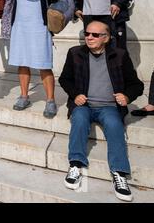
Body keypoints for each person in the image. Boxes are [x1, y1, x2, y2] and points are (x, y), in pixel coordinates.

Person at [59, 21, 144, 202]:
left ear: (106, 38)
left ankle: (119, 174)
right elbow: (65, 79)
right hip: (84, 105)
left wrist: (127, 97)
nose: (89, 37)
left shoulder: (119, 55)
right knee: (79, 119)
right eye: (87, 34)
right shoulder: (75, 53)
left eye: (95, 35)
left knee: (114, 125)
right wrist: (75, 95)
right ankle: (75, 164)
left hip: (109, 107)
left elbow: (137, 85)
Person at [2, 0, 60, 117]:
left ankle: (50, 100)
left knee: (44, 63)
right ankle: (24, 96)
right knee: (23, 62)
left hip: (39, 26)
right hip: (20, 26)